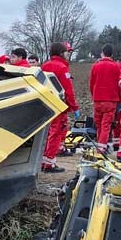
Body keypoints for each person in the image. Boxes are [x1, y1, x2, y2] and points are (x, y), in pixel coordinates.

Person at [41, 42, 79, 172]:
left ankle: (43, 159)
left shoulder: (44, 66)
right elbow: (68, 90)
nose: (68, 54)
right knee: (56, 133)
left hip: (45, 104)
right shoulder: (62, 68)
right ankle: (49, 163)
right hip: (59, 106)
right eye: (67, 52)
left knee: (46, 133)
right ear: (61, 53)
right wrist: (74, 107)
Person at [89, 44, 120, 155]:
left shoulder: (95, 66)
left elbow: (91, 84)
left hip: (98, 99)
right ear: (111, 54)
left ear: (102, 53)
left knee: (98, 124)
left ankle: (100, 144)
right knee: (106, 125)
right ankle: (102, 148)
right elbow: (119, 84)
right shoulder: (116, 67)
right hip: (111, 100)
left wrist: (94, 95)